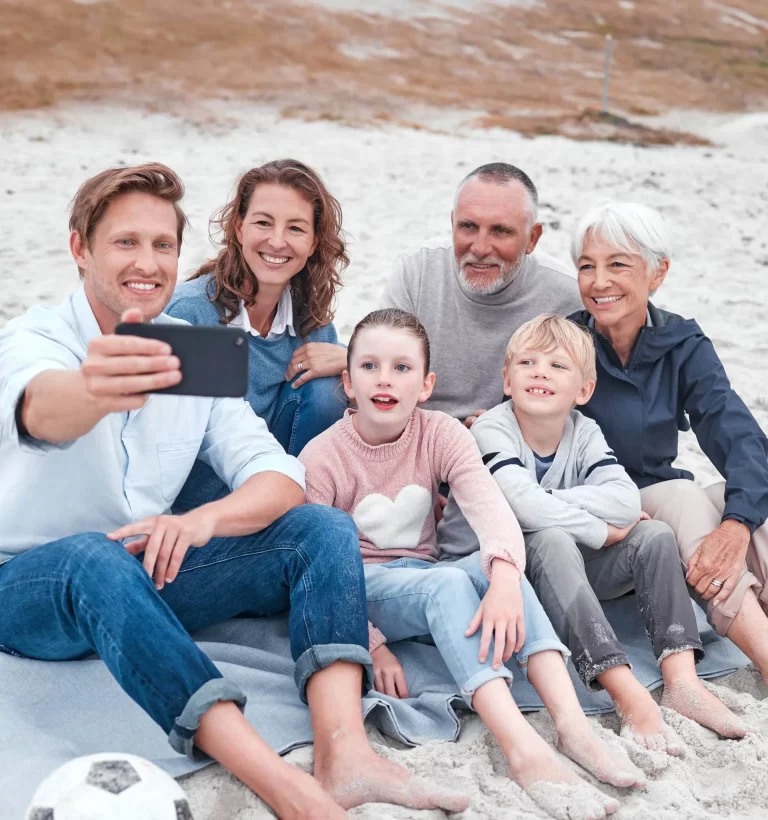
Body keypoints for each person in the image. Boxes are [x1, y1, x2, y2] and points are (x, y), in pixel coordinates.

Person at [0, 163, 466, 820]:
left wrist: (204, 521)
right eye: (125, 243)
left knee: (321, 527)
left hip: (143, 564)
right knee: (90, 557)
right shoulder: (36, 339)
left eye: (163, 245)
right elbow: (41, 409)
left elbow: (282, 476)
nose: (149, 261)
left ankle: (344, 756)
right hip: (26, 585)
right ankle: (289, 792)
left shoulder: (195, 352)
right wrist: (94, 389)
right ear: (80, 249)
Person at [299, 308, 649, 820]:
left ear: (426, 384)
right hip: (364, 585)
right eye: (370, 367)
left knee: (492, 569)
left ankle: (572, 725)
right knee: (446, 583)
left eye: (402, 368)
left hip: (424, 572)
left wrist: (506, 576)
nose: (385, 380)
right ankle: (523, 750)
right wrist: (370, 642)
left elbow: (491, 509)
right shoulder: (323, 457)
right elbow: (315, 570)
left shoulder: (440, 432)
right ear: (348, 382)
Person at [440, 315, 747, 750]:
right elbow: (520, 507)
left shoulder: (583, 431)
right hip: (497, 571)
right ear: (507, 380)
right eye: (527, 363)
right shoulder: (492, 428)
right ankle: (620, 685)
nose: (541, 372)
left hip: (563, 562)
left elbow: (626, 502)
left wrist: (556, 503)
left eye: (558, 366)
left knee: (654, 534)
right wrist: (600, 530)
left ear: (583, 391)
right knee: (551, 537)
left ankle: (682, 680)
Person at [568, 201, 768, 689]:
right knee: (684, 497)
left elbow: (738, 433)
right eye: (586, 266)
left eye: (618, 264)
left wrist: (739, 522)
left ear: (657, 273)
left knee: (731, 499)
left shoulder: (681, 344)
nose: (599, 281)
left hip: (659, 500)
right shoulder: (566, 341)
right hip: (596, 511)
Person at [167, 159, 349, 510]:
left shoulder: (310, 317)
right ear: (238, 228)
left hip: (278, 484)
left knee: (331, 390)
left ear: (313, 242)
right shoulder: (189, 314)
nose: (277, 241)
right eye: (263, 223)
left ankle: (298, 508)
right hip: (196, 506)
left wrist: (352, 361)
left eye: (296, 228)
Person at [380, 162, 583, 425]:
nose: (480, 247)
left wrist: (511, 426)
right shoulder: (417, 271)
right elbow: (380, 370)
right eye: (468, 226)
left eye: (500, 231)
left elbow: (580, 405)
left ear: (532, 238)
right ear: (452, 222)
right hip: (414, 430)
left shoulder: (568, 296)